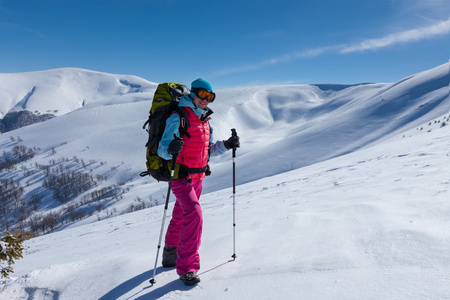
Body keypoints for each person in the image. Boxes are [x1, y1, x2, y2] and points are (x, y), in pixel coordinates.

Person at [157, 78, 240, 286]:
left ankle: (170, 254)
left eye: (210, 97)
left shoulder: (205, 121)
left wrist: (227, 145)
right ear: (192, 93)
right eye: (203, 95)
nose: (206, 100)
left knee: (181, 213)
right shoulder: (179, 116)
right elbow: (162, 149)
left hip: (198, 177)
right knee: (194, 215)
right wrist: (170, 149)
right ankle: (187, 268)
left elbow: (208, 150)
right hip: (180, 176)